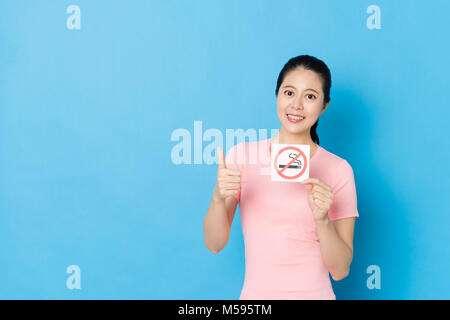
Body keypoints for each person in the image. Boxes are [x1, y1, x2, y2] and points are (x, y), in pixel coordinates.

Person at [203, 55, 359, 300]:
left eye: (310, 96)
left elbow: (340, 270)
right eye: (289, 93)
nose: (297, 105)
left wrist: (322, 221)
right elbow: (214, 244)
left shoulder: (338, 170)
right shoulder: (242, 156)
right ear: (277, 95)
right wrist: (217, 198)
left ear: (324, 105)